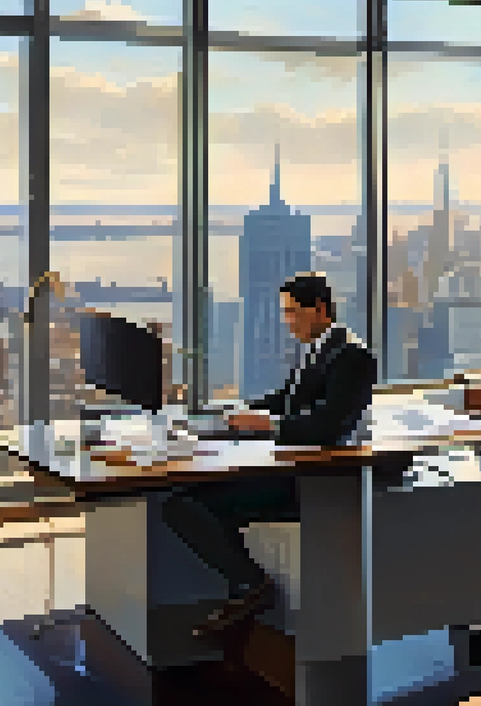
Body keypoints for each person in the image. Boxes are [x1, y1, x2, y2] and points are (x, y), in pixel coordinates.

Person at [161, 273, 377, 638]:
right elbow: (286, 400)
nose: (287, 322)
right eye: (285, 313)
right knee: (203, 498)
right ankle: (242, 594)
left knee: (183, 507)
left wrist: (267, 424)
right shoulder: (318, 347)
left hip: (311, 484)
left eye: (293, 313)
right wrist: (237, 411)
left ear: (320, 309)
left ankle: (252, 586)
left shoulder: (352, 357)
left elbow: (330, 426)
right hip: (289, 467)